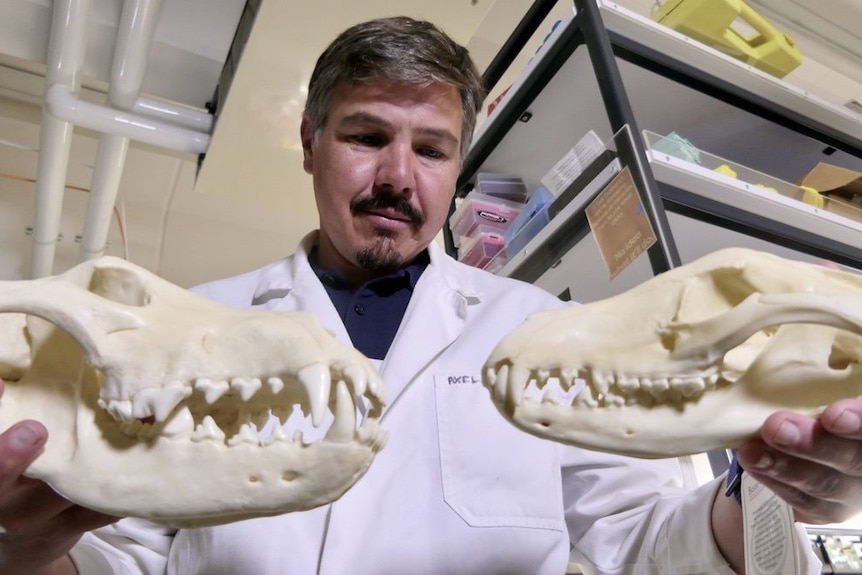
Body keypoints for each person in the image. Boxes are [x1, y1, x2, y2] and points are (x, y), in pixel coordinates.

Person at [2, 15, 861, 575]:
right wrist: (30, 550)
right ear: (310, 143)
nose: (398, 178)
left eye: (434, 149)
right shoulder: (186, 327)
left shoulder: (550, 335)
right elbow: (125, 554)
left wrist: (774, 488)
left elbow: (641, 544)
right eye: (367, 136)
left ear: (460, 163)